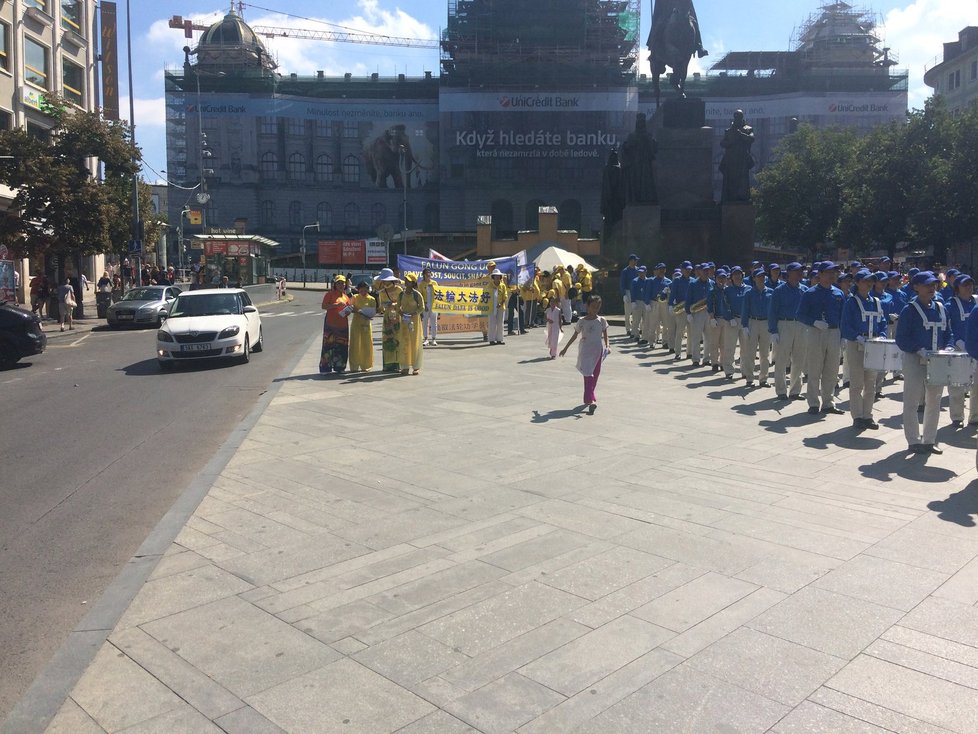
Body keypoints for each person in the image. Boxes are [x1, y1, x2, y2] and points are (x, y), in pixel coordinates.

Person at [896, 271, 954, 454]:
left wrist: (950, 347)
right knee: (912, 401)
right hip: (915, 359)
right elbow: (901, 338)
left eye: (934, 284)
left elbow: (948, 333)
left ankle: (929, 440)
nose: (932, 288)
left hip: (936, 360)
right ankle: (913, 440)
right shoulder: (909, 309)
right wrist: (917, 349)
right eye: (927, 285)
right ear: (916, 287)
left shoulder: (941, 308)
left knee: (934, 401)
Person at [797, 261, 845, 415]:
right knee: (815, 368)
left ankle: (828, 402)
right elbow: (800, 315)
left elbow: (843, 316)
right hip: (816, 332)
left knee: (831, 369)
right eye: (829, 272)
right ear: (820, 274)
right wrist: (814, 322)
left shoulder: (838, 293)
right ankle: (813, 402)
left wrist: (843, 336)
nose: (832, 276)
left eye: (834, 273)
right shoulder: (810, 293)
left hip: (834, 331)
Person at [841, 270, 886, 430]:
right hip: (857, 344)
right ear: (858, 283)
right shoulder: (851, 302)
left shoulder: (876, 302)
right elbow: (845, 325)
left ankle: (868, 415)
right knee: (857, 383)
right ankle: (857, 416)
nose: (869, 284)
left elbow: (883, 322)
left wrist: (881, 335)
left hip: (873, 344)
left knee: (871, 383)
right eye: (866, 281)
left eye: (871, 281)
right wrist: (857, 337)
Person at [560, 295, 610, 415]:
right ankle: (591, 400)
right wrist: (565, 348)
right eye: (593, 307)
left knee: (595, 375)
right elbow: (575, 335)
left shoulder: (601, 320)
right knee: (589, 375)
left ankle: (588, 397)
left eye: (598, 307)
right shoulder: (582, 321)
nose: (595, 309)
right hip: (586, 351)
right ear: (587, 306)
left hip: (598, 351)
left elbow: (605, 334)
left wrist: (608, 346)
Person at [769, 262, 808, 401]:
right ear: (789, 273)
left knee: (799, 359)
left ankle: (795, 390)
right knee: (781, 359)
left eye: (801, 271)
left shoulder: (804, 290)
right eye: (797, 271)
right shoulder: (779, 290)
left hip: (801, 326)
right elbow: (772, 311)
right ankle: (780, 390)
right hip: (784, 324)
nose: (800, 274)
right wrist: (773, 330)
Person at [946, 274, 977, 427]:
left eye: (970, 284)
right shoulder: (950, 305)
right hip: (958, 349)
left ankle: (975, 417)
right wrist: (956, 342)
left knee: (976, 386)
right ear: (957, 288)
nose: (969, 287)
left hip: (975, 349)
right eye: (965, 285)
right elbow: (947, 327)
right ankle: (957, 417)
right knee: (957, 385)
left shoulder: (975, 303)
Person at [741, 268, 772, 387]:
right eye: (759, 276)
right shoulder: (749, 293)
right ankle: (750, 378)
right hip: (753, 322)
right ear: (754, 278)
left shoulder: (771, 292)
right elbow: (745, 310)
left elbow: (773, 311)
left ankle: (763, 378)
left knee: (765, 353)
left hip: (766, 323)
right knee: (750, 352)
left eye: (763, 276)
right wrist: (744, 325)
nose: (762, 278)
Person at [320, 274, 352, 375]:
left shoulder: (346, 297)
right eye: (338, 283)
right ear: (335, 284)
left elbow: (348, 309)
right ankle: (325, 368)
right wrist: (335, 305)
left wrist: (348, 310)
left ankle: (340, 367)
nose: (341, 285)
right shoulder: (329, 294)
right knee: (328, 346)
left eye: (342, 283)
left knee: (342, 346)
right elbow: (324, 306)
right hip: (331, 324)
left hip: (342, 325)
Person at [376, 268, 403, 372]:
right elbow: (381, 308)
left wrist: (394, 304)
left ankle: (397, 363)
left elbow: (402, 303)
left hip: (397, 316)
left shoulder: (399, 290)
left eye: (386, 280)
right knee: (387, 339)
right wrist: (380, 308)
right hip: (387, 318)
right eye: (383, 280)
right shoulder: (382, 293)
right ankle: (387, 364)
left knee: (397, 339)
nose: (384, 282)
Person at [397, 273, 425, 374]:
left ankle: (416, 366)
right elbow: (398, 307)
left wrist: (414, 313)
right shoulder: (401, 294)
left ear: (413, 283)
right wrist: (401, 313)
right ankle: (405, 366)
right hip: (404, 321)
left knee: (415, 342)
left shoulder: (417, 295)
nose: (406, 282)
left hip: (414, 321)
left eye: (408, 281)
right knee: (404, 342)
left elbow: (422, 307)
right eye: (406, 280)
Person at [349, 281, 376, 372]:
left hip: (366, 323)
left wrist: (369, 314)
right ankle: (354, 366)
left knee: (367, 344)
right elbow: (350, 308)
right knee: (355, 344)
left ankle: (366, 365)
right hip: (356, 323)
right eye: (361, 290)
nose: (363, 292)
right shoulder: (355, 297)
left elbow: (373, 311)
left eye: (365, 290)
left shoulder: (371, 299)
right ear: (358, 290)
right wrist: (356, 310)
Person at [485, 270, 508, 344]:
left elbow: (505, 296)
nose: (497, 278)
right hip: (492, 307)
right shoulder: (489, 285)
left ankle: (499, 339)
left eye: (498, 276)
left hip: (501, 307)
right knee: (492, 323)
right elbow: (486, 295)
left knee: (500, 323)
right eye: (495, 276)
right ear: (493, 277)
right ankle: (491, 339)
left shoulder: (503, 285)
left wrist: (501, 304)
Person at [620, 254, 639, 336]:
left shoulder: (638, 270)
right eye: (635, 260)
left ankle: (635, 328)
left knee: (636, 312)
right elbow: (622, 283)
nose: (636, 262)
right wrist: (624, 294)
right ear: (630, 261)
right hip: (628, 292)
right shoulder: (625, 271)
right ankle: (628, 329)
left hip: (636, 292)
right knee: (628, 312)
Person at [629, 266, 649, 343]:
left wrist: (648, 302)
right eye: (639, 272)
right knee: (636, 320)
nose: (641, 273)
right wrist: (633, 301)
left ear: (645, 272)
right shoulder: (635, 281)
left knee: (646, 320)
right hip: (637, 301)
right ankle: (636, 335)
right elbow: (632, 292)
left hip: (645, 302)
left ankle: (644, 337)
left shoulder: (648, 281)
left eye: (642, 272)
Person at [420, 267, 439, 346]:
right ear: (424, 275)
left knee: (434, 322)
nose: (428, 275)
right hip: (425, 305)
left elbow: (438, 293)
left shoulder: (434, 283)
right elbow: (420, 296)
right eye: (427, 273)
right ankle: (426, 339)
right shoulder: (421, 284)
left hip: (434, 304)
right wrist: (424, 305)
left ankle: (434, 339)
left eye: (429, 273)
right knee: (425, 323)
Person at [545, 291, 563, 359]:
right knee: (550, 339)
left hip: (556, 326)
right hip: (550, 326)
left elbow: (560, 319)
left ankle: (554, 354)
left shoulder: (558, 310)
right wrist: (548, 320)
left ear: (556, 303)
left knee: (554, 340)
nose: (552, 303)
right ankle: (551, 350)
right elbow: (545, 317)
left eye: (554, 302)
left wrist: (561, 328)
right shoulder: (548, 310)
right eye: (551, 302)